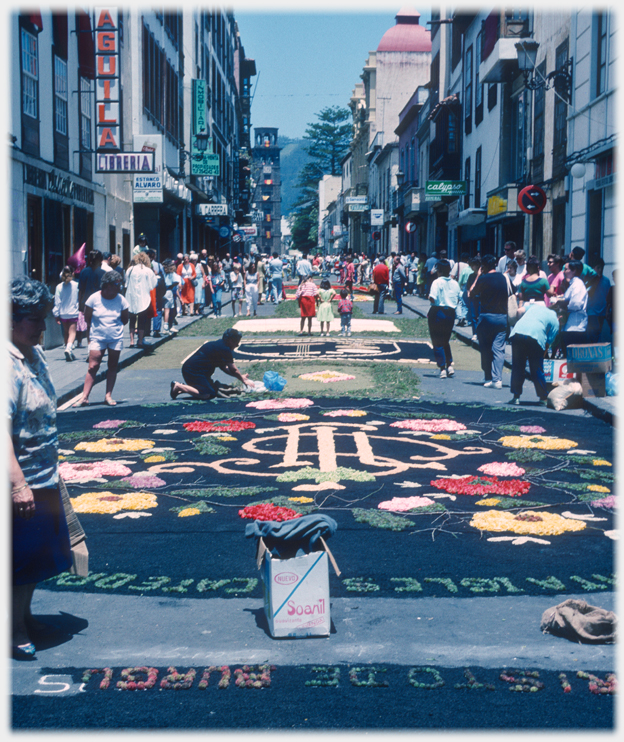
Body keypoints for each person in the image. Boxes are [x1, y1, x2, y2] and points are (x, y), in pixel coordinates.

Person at [10, 277, 72, 660]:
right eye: (36, 319)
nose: (44, 326)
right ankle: (12, 629)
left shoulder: (32, 355)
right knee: (17, 561)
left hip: (43, 474)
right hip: (21, 482)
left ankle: (25, 617)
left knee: (36, 558)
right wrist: (17, 486)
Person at [75, 270, 129, 407]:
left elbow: (125, 319)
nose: (120, 287)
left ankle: (108, 395)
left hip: (115, 337)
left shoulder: (121, 300)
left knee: (112, 365)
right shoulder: (93, 298)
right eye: (117, 284)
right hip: (98, 336)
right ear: (108, 285)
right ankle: (84, 397)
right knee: (93, 366)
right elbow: (87, 318)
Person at [170, 328, 250, 401]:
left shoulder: (220, 344)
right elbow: (233, 369)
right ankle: (178, 386)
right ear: (230, 341)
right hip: (193, 371)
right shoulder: (225, 349)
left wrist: (240, 376)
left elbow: (224, 368)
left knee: (213, 390)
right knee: (208, 394)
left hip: (193, 370)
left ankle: (180, 390)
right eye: (236, 343)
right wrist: (243, 380)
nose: (237, 346)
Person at [469, 253, 512, 388]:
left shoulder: (483, 279)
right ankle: (497, 379)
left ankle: (488, 377)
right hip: (502, 318)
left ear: (484, 266)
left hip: (486, 317)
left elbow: (471, 293)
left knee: (486, 348)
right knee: (499, 349)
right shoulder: (504, 278)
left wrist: (478, 275)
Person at [508, 302, 560, 406]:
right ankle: (543, 398)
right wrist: (543, 356)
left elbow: (519, 310)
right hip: (535, 337)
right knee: (536, 368)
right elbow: (547, 344)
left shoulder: (536, 307)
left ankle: (516, 397)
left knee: (518, 366)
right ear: (560, 316)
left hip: (517, 332)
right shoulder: (555, 321)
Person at [428, 259, 461, 378]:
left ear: (439, 270)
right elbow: (458, 298)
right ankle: (449, 364)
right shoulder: (455, 283)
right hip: (450, 313)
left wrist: (431, 298)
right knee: (445, 339)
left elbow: (433, 298)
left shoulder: (437, 282)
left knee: (437, 340)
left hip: (437, 311)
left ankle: (442, 367)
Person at [551, 259, 588, 355]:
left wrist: (563, 305)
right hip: (571, 324)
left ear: (574, 270)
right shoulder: (573, 284)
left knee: (573, 354)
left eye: (566, 269)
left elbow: (576, 303)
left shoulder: (578, 284)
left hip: (576, 325)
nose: (564, 271)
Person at [125, 251, 158, 348]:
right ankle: (139, 341)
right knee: (142, 320)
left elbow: (126, 283)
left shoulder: (130, 269)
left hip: (131, 297)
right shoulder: (148, 270)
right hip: (144, 297)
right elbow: (153, 284)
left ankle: (131, 341)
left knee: (132, 319)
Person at [77, 249, 105, 347]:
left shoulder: (84, 272)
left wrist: (80, 303)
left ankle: (90, 345)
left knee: (89, 325)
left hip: (86, 302)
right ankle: (98, 343)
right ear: (100, 260)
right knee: (99, 324)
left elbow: (80, 289)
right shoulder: (102, 273)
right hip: (100, 302)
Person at [53, 266, 79, 361]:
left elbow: (57, 301)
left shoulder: (59, 287)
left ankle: (67, 349)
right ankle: (69, 348)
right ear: (72, 273)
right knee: (72, 332)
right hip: (73, 312)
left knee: (66, 332)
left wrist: (56, 314)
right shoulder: (76, 285)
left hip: (63, 313)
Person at [586, 258, 611, 343]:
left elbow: (608, 296)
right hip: (591, 311)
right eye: (598, 268)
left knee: (599, 332)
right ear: (593, 268)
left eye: (602, 268)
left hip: (602, 312)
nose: (600, 270)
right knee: (593, 332)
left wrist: (607, 310)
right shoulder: (589, 280)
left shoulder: (606, 280)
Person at [162, 258, 182, 333]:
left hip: (162, 292)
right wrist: (172, 285)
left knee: (163, 309)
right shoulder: (172, 274)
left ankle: (166, 326)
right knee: (167, 310)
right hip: (169, 291)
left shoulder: (163, 273)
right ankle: (166, 327)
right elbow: (177, 282)